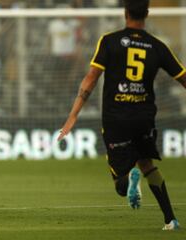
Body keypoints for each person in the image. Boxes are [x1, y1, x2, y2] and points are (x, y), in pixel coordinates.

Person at [57, 0, 186, 230]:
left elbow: (91, 79)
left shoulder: (109, 41)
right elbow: (183, 78)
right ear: (147, 13)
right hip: (145, 117)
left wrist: (73, 116)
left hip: (116, 118)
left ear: (125, 12)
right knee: (147, 163)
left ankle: (130, 180)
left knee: (120, 184)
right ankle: (170, 219)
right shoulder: (157, 46)